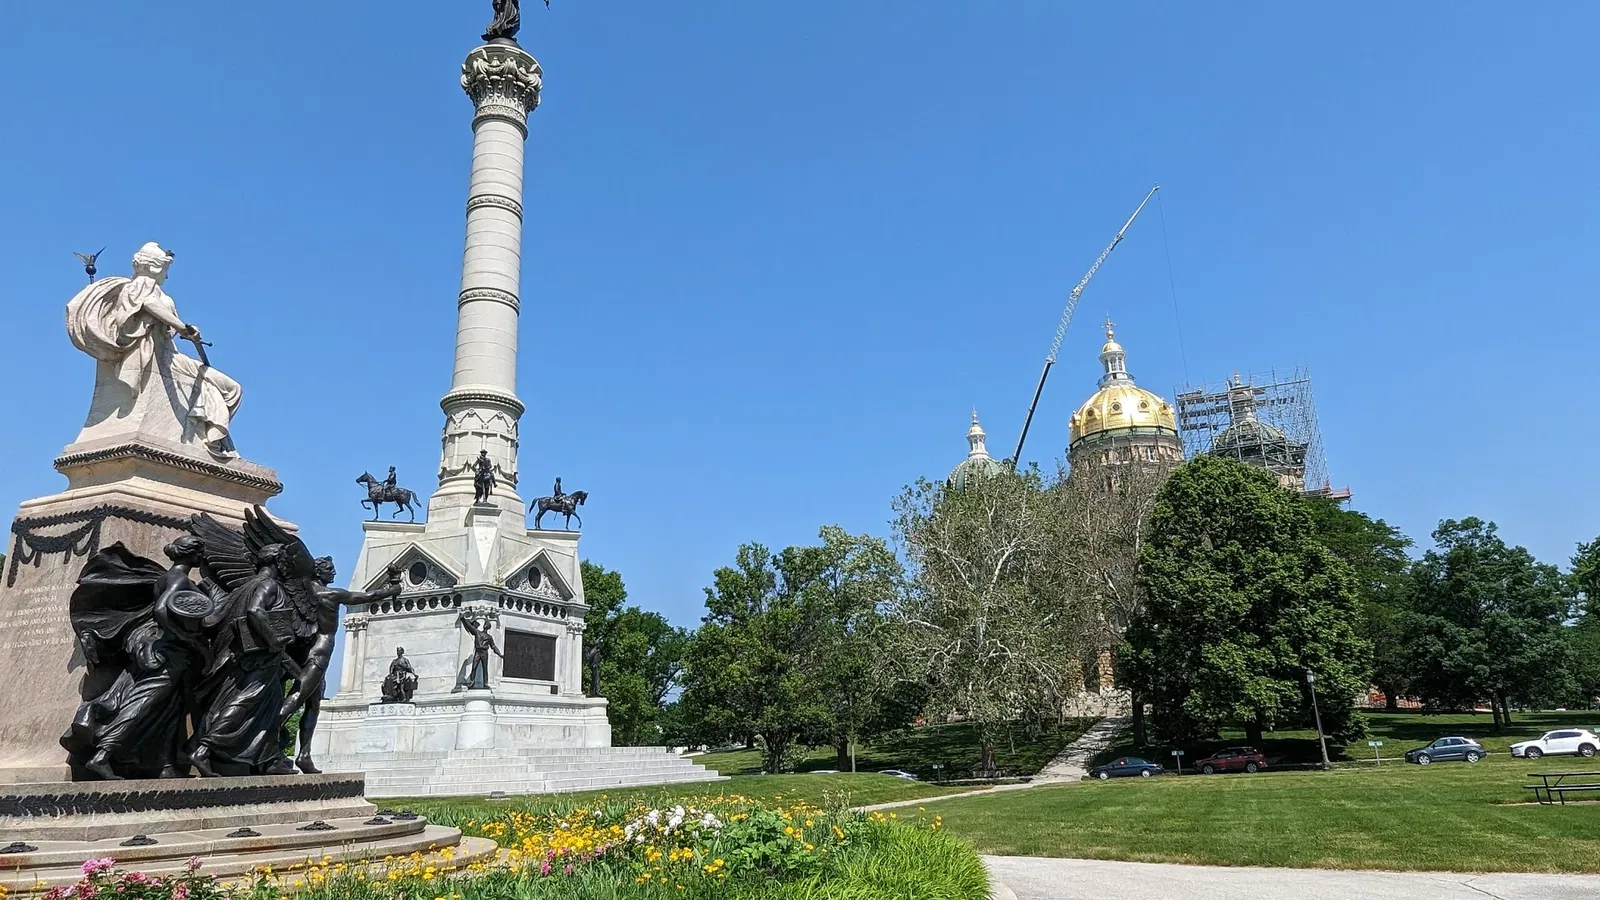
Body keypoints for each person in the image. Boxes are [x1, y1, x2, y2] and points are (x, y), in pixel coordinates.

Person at [66, 242, 243, 458]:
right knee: (227, 389)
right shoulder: (139, 286)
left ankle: (210, 439)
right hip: (162, 358)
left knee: (232, 389)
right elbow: (149, 304)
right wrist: (182, 327)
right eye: (165, 269)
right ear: (154, 267)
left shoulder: (161, 294)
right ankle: (210, 441)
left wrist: (186, 330)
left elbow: (163, 317)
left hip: (172, 356)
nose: (167, 276)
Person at [280, 558, 402, 773]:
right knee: (299, 695)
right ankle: (264, 739)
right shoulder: (330, 594)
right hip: (320, 651)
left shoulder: (302, 593)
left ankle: (304, 755)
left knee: (314, 704)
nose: (334, 573)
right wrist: (393, 589)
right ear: (318, 572)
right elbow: (367, 596)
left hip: (304, 648)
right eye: (329, 569)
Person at [455, 612, 504, 691]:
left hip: (484, 652)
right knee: (474, 667)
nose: (485, 626)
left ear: (487, 627)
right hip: (478, 651)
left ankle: (485, 683)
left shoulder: (489, 637)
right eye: (485, 625)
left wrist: (500, 654)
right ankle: (472, 682)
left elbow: (494, 647)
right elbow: (469, 627)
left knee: (485, 668)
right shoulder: (477, 632)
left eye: (486, 625)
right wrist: (463, 619)